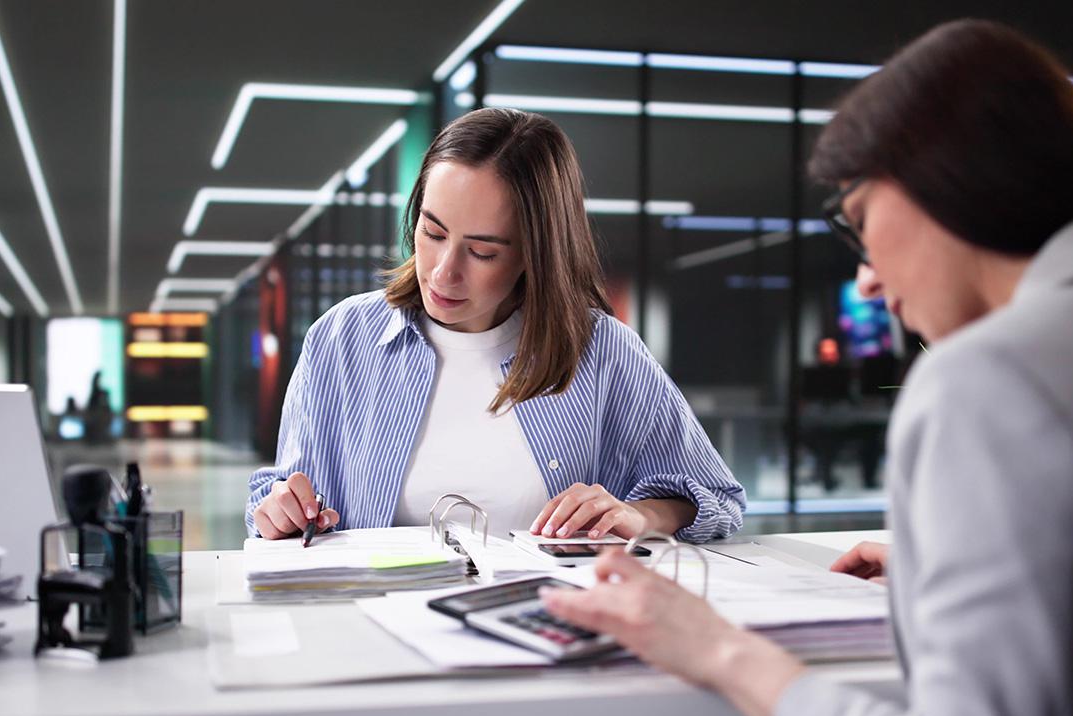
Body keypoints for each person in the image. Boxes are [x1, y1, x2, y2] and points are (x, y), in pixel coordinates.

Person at [543, 19, 1073, 716]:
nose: (868, 280)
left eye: (862, 219)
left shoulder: (990, 377)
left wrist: (719, 649)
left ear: (947, 180)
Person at [245, 108, 745, 543]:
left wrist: (638, 515)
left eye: (483, 251)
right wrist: (280, 512)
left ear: (535, 253)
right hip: (376, 629)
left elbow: (714, 495)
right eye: (432, 232)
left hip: (549, 629)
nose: (442, 272)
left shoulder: (601, 350)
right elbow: (282, 494)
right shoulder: (341, 339)